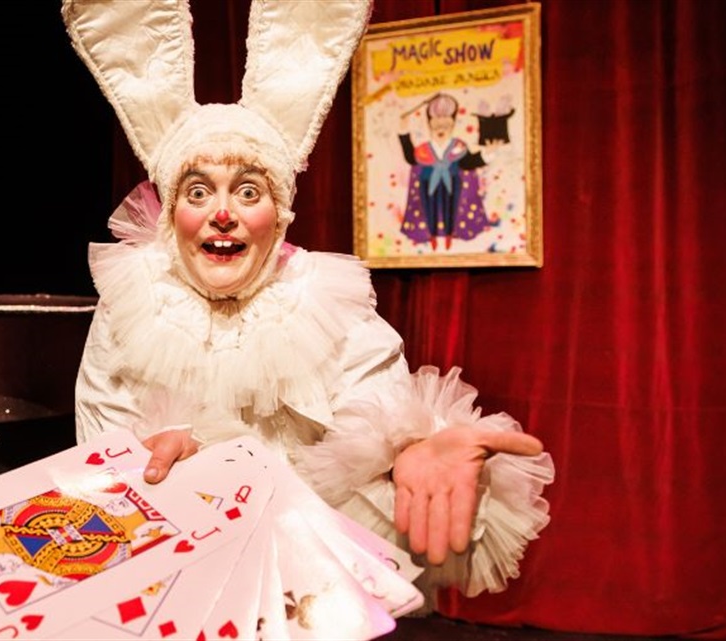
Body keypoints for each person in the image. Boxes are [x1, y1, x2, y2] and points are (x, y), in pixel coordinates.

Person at [62, 0, 553, 605]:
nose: (223, 212)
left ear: (280, 214)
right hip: (175, 586)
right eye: (198, 191)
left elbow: (384, 417)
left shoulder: (325, 301)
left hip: (306, 586)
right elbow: (103, 463)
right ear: (169, 215)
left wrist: (415, 447)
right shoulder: (133, 308)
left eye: (247, 190)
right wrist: (155, 469)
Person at [398, 92, 498, 252]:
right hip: (427, 183)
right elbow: (411, 157)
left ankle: (450, 234)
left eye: (445, 126)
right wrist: (404, 130)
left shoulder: (458, 146)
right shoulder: (424, 149)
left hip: (453, 182)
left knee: (451, 209)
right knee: (429, 210)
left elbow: (469, 162)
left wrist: (488, 153)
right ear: (430, 125)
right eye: (437, 126)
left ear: (452, 125)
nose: (441, 130)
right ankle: (431, 236)